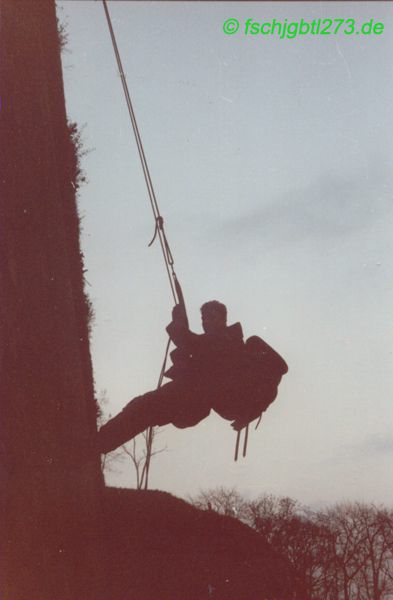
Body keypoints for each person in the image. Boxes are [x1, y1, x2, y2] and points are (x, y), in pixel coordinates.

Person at [98, 300, 287, 454]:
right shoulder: (218, 341)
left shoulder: (227, 340)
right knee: (143, 410)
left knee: (142, 408)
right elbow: (194, 344)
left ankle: (99, 442)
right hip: (193, 402)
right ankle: (101, 443)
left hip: (194, 399)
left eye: (210, 317)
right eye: (203, 318)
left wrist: (178, 321)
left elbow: (190, 341)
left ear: (222, 319)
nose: (205, 322)